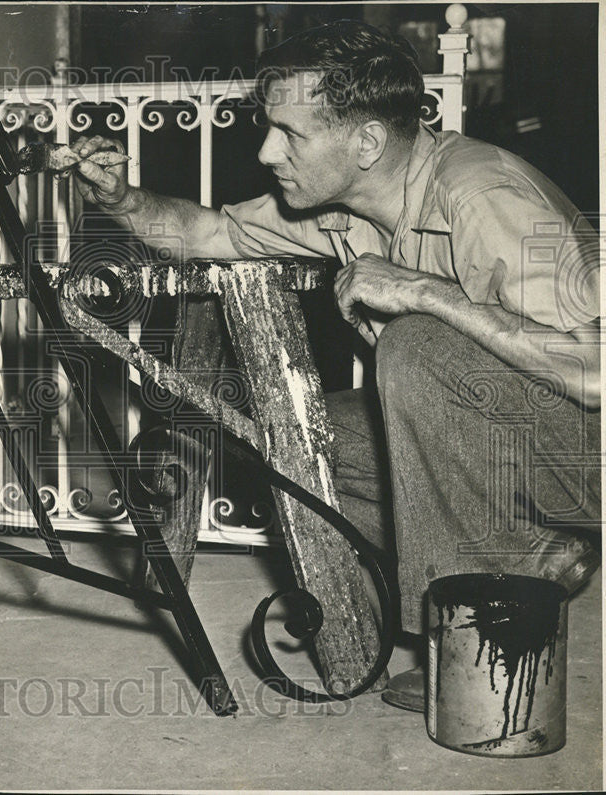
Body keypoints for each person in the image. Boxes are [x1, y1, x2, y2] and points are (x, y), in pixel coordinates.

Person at [70, 20, 602, 711]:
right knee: (299, 433)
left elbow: (594, 368)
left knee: (417, 346)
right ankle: (524, 562)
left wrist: (423, 292)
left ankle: (487, 641)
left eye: (290, 133)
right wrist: (120, 199)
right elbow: (208, 233)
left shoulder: (482, 196)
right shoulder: (341, 208)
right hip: (524, 448)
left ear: (366, 142)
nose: (267, 151)